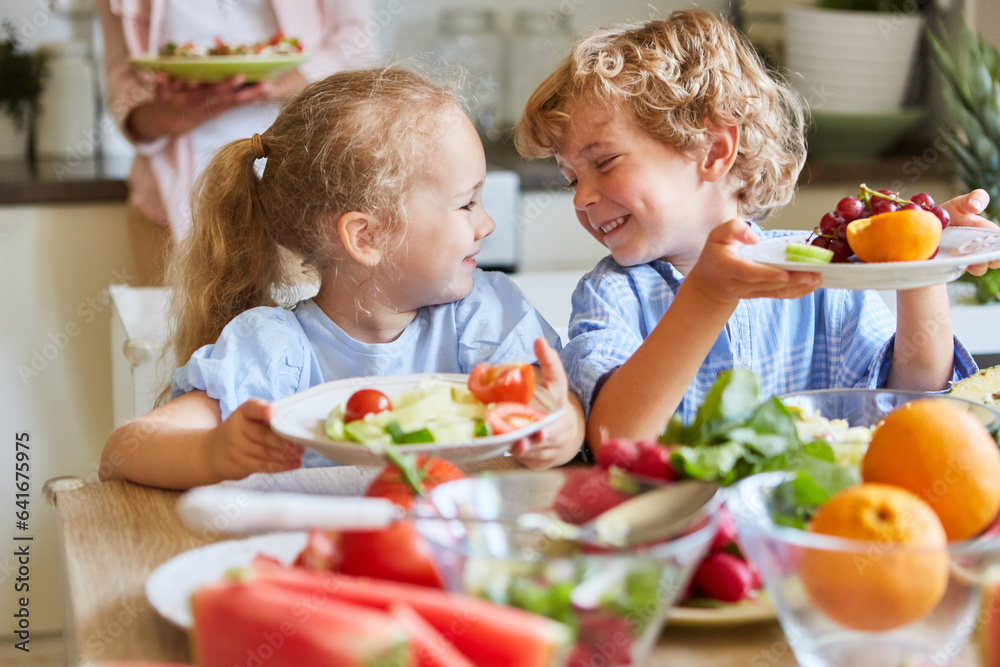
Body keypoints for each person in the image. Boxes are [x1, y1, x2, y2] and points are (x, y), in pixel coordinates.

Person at [513, 9, 1000, 451]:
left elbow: (912, 403)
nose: (581, 197)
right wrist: (706, 293)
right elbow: (611, 439)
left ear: (714, 151)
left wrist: (925, 267)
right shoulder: (611, 297)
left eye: (605, 161)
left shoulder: (821, 271)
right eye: (571, 178)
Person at [100, 67, 586, 489]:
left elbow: (555, 406)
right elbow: (123, 451)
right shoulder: (275, 351)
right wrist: (212, 453)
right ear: (367, 236)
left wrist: (559, 430)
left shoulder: (485, 316)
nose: (487, 224)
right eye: (466, 203)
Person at [98, 0, 377, 285]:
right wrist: (176, 113)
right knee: (173, 327)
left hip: (304, 198)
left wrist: (297, 79)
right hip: (166, 204)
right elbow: (123, 90)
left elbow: (359, 42)